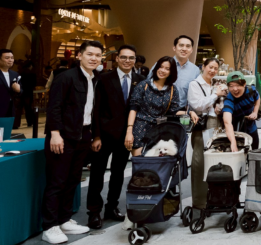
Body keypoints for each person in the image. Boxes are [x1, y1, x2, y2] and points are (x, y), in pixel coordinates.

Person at [42, 40, 103, 244]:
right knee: (57, 182)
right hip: (63, 136)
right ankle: (49, 226)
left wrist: (95, 135)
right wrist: (55, 133)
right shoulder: (65, 77)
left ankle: (64, 219)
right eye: (90, 54)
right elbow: (54, 106)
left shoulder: (95, 79)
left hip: (83, 135)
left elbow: (93, 110)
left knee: (72, 180)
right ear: (79, 55)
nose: (94, 58)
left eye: (97, 55)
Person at [87, 45, 144, 230]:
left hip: (126, 137)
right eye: (124, 57)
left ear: (135, 60)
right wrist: (96, 136)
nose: (128, 61)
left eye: (131, 58)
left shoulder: (140, 81)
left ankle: (112, 207)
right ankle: (94, 212)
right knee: (97, 174)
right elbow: (96, 109)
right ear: (117, 58)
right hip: (104, 136)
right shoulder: (103, 79)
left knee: (118, 174)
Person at [187, 58, 227, 212]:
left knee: (216, 161)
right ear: (203, 67)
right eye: (210, 67)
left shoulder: (215, 84)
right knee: (200, 163)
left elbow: (219, 104)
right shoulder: (195, 84)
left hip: (217, 124)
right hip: (203, 126)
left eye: (215, 68)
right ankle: (200, 202)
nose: (212, 71)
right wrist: (215, 95)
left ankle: (215, 199)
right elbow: (197, 105)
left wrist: (219, 105)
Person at [126, 56, 185, 156]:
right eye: (160, 67)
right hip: (140, 127)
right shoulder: (144, 85)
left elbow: (173, 110)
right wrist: (129, 130)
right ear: (156, 67)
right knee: (140, 161)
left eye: (167, 68)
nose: (162, 70)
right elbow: (133, 107)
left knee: (156, 162)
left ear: (171, 72)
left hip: (159, 130)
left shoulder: (172, 90)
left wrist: (189, 112)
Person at [148, 35, 200, 109]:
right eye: (181, 45)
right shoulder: (161, 65)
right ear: (174, 48)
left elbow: (195, 94)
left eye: (188, 46)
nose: (184, 49)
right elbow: (148, 83)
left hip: (181, 110)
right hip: (158, 108)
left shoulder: (195, 70)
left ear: (191, 50)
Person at [222, 71, 261, 151]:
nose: (235, 89)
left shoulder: (251, 90)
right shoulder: (229, 99)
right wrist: (233, 142)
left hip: (251, 126)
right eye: (231, 86)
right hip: (237, 131)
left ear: (244, 84)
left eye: (238, 85)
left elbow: (257, 98)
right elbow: (227, 122)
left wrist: (255, 112)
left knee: (255, 150)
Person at [14, 60, 36, 128]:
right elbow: (34, 83)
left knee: (18, 109)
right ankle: (30, 122)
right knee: (28, 108)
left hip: (19, 93)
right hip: (28, 93)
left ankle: (16, 124)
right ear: (30, 66)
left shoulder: (19, 73)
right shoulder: (32, 73)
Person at [0, 49, 20, 118]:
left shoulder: (15, 74)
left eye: (12, 58)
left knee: (8, 125)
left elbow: (21, 91)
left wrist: (18, 90)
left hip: (10, 110)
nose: (10, 60)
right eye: (7, 58)